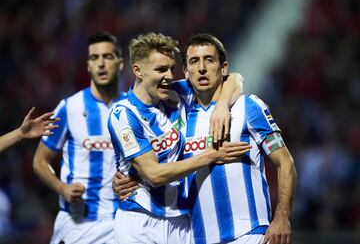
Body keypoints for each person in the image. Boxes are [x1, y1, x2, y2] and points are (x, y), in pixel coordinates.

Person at [114, 33, 297, 244]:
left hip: (250, 234)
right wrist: (124, 175)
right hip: (197, 237)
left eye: (209, 60)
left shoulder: (249, 107)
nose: (202, 68)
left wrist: (282, 218)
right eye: (194, 61)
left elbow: (285, 162)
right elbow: (159, 160)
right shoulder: (178, 112)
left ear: (223, 68)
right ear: (185, 72)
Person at [33, 31, 125, 244]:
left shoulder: (132, 109)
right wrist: (62, 188)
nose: (101, 63)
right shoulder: (69, 108)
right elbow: (40, 160)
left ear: (120, 64)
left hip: (120, 224)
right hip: (76, 225)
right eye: (94, 58)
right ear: (88, 66)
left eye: (107, 57)